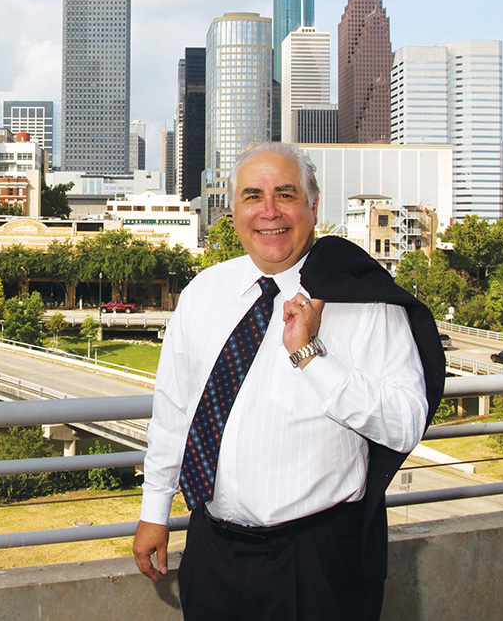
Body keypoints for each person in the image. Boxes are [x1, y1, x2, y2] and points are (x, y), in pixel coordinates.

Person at [133, 142, 444, 621]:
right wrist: (155, 509)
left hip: (316, 560)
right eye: (253, 196)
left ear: (313, 206)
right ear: (232, 209)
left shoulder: (364, 301)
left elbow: (405, 423)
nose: (269, 212)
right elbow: (175, 409)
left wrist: (311, 356)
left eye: (286, 194)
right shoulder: (203, 293)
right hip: (212, 549)